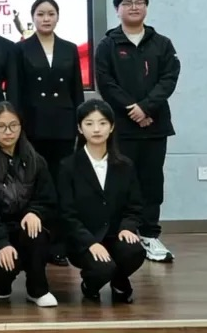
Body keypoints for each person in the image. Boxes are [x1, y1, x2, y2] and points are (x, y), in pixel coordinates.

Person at [94, 0, 180, 263]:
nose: (134, 7)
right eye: (127, 3)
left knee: (152, 181)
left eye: (139, 2)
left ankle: (150, 234)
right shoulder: (108, 45)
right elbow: (105, 82)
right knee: (121, 181)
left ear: (146, 7)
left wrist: (146, 107)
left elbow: (169, 78)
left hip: (155, 125)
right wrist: (132, 109)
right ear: (117, 9)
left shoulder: (161, 43)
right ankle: (122, 233)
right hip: (122, 126)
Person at [15, 0, 85, 266]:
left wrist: (80, 124)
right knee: (35, 185)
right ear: (32, 17)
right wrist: (18, 126)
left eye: (51, 14)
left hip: (64, 126)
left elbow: (76, 90)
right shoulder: (21, 49)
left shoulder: (69, 48)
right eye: (41, 14)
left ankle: (58, 244)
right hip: (33, 126)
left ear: (57, 17)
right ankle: (34, 242)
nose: (46, 18)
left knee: (60, 184)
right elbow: (17, 92)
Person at [0, 102, 58, 307]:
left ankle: (37, 289)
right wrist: (1, 241)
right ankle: (0, 281)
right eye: (1, 126)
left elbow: (48, 199)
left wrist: (35, 212)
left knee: (36, 231)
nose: (8, 132)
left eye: (13, 125)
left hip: (24, 228)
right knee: (4, 273)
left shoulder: (35, 159)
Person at [58, 99, 146, 304]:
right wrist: (90, 242)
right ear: (80, 128)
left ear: (112, 126)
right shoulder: (68, 166)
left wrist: (128, 227)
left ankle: (119, 281)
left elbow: (135, 205)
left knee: (134, 251)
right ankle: (90, 285)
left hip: (115, 235)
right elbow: (66, 213)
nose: (96, 129)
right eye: (89, 124)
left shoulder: (125, 165)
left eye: (103, 123)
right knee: (102, 268)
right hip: (83, 240)